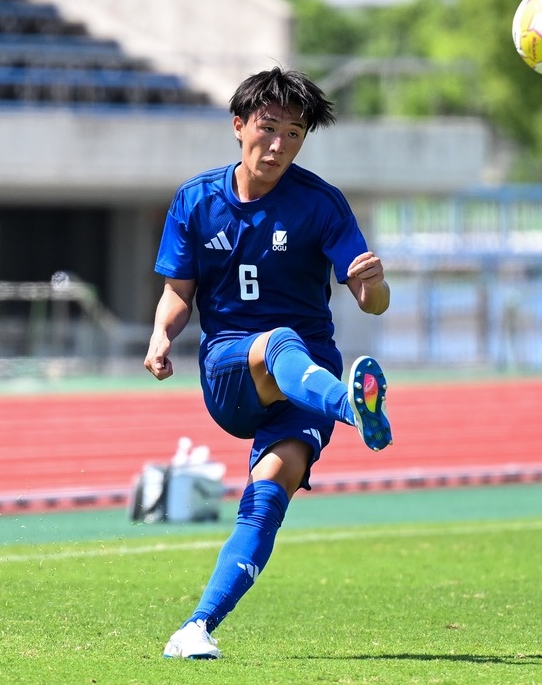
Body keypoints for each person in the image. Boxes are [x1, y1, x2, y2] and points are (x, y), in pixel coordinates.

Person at [144, 67, 393, 660]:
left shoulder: (321, 203)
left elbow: (373, 302)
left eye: (295, 134)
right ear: (239, 126)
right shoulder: (196, 200)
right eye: (269, 127)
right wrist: (160, 336)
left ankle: (196, 628)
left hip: (309, 374)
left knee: (268, 494)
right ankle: (354, 408)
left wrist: (374, 283)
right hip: (231, 367)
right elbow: (179, 292)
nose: (280, 144)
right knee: (278, 340)